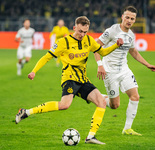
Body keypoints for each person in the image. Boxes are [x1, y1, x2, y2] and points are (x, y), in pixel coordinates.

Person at [15, 16, 123, 145]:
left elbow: (103, 52)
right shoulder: (63, 42)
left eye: (85, 32)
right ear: (74, 28)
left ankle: (91, 137)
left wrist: (116, 45)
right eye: (80, 31)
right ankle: (26, 112)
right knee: (64, 105)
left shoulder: (89, 40)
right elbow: (46, 57)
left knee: (101, 102)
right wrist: (34, 71)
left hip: (83, 79)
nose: (82, 34)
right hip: (69, 78)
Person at [94, 6, 155, 136]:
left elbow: (133, 51)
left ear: (134, 20)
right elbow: (96, 45)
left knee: (135, 96)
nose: (129, 20)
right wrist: (100, 65)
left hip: (124, 70)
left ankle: (127, 129)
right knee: (114, 105)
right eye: (127, 17)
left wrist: (147, 64)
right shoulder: (112, 30)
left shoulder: (131, 35)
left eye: (132, 18)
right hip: (109, 72)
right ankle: (97, 97)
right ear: (122, 17)